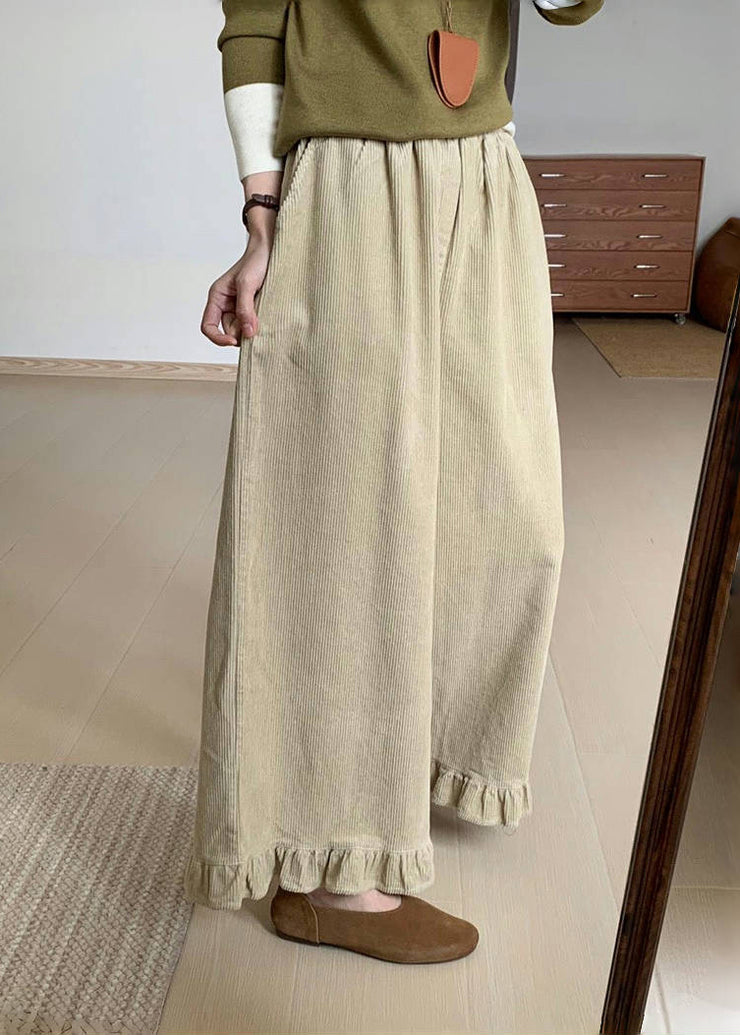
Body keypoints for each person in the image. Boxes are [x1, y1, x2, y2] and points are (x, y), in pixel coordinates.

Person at [185, 0, 604, 964]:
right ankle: (333, 870)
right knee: (347, 519)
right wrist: (262, 220)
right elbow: (255, 26)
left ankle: (416, 756)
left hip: (487, 175)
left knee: (511, 514)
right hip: (347, 183)